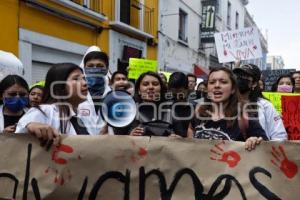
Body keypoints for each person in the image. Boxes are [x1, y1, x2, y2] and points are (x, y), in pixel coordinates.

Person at [188, 67, 268, 150]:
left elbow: (267, 148)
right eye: (212, 82)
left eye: (223, 82)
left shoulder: (245, 118)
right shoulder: (198, 112)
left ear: (233, 89)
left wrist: (255, 141)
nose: (217, 85)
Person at [16, 63, 90, 145]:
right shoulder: (45, 111)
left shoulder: (78, 117)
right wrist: (29, 125)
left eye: (84, 79)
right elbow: (18, 135)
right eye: (76, 79)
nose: (85, 83)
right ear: (60, 86)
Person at [233, 64, 287, 141]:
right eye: (238, 75)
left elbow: (279, 136)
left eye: (245, 76)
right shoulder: (225, 103)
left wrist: (262, 147)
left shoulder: (266, 106)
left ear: (254, 83)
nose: (240, 78)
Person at [115, 72, 173, 136]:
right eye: (145, 84)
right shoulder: (127, 112)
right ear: (139, 91)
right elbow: (118, 138)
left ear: (161, 89)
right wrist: (130, 136)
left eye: (155, 84)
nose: (151, 87)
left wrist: (175, 138)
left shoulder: (171, 110)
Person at [77, 46, 111, 135]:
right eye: (90, 66)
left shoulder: (114, 94)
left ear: (107, 69)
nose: (95, 69)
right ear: (84, 68)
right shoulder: (74, 94)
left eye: (100, 66)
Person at [168, 72, 193, 137]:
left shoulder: (196, 108)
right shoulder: (166, 107)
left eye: (180, 94)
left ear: (187, 89)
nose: (177, 98)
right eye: (174, 95)